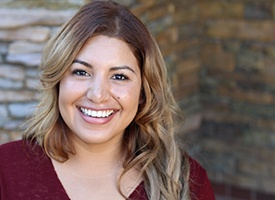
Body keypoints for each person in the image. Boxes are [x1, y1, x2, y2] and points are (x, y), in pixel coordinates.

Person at [0, 1, 215, 199]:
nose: (98, 94)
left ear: (143, 92)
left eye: (119, 76)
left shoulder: (185, 182)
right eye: (81, 72)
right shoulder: (5, 171)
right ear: (57, 82)